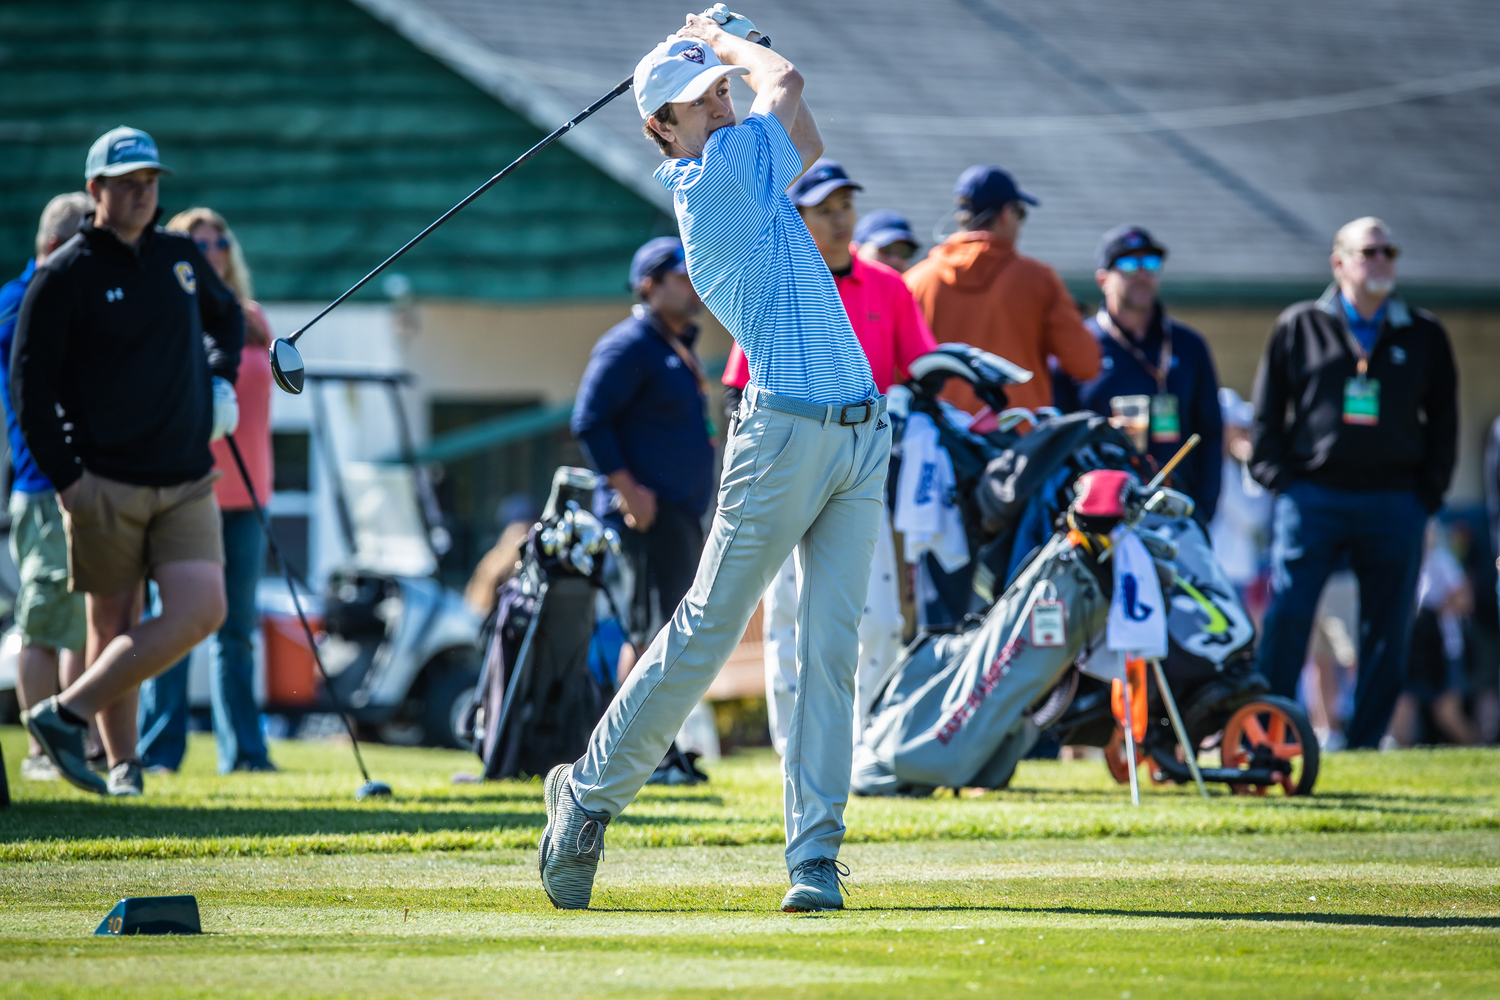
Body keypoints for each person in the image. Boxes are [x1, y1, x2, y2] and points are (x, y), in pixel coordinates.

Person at [541, 18, 887, 914]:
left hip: (858, 433)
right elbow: (791, 81)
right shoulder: (718, 180)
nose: (720, 103)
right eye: (702, 101)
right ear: (663, 128)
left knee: (831, 654)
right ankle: (586, 794)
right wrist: (721, 35)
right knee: (704, 632)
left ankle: (814, 859)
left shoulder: (753, 167)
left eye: (721, 92)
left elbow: (803, 133)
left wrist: (724, 54)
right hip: (780, 435)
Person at [14, 126, 244, 796]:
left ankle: (66, 714)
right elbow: (30, 387)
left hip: (185, 477)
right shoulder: (65, 274)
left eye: (151, 182)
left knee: (203, 608)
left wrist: (220, 377)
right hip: (103, 481)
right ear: (96, 191)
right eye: (128, 183)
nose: (144, 193)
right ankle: (122, 768)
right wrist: (68, 482)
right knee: (109, 624)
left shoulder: (179, 255)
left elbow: (226, 320)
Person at [719, 158, 935, 750]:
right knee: (788, 616)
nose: (839, 220)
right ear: (799, 217)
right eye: (824, 210)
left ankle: (867, 745)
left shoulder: (889, 286)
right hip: (790, 464)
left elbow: (924, 370)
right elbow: (741, 388)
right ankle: (794, 748)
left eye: (845, 207)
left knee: (883, 620)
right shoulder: (779, 281)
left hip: (867, 467)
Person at [1250, 216, 1457, 750]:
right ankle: (1265, 736)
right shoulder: (1299, 326)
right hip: (1314, 496)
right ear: (1339, 262)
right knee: (1290, 615)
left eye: (1390, 250)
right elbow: (1267, 416)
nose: (1383, 260)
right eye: (1370, 251)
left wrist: (1425, 498)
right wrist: (1282, 483)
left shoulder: (1424, 333)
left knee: (1387, 629)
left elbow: (1445, 424)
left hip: (1395, 501)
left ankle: (1365, 743)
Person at [135, 207, 276, 775]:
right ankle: (159, 750)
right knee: (171, 624)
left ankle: (243, 753)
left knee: (236, 633)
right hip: (186, 491)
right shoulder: (168, 314)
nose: (212, 249)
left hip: (250, 494)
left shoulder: (253, 318)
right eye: (199, 242)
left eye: (220, 241)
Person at [572, 236, 716, 653]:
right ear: (650, 286)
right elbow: (589, 421)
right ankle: (630, 722)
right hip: (649, 516)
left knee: (669, 636)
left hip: (679, 515)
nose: (695, 284)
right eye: (683, 277)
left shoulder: (673, 345)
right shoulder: (629, 344)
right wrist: (629, 493)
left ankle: (653, 722)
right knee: (651, 637)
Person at [0, 192, 92, 782]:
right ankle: (41, 750)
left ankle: (71, 743)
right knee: (43, 623)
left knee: (80, 622)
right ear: (57, 243)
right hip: (41, 485)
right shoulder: (18, 299)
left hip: (83, 483)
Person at [1054, 226, 1223, 522]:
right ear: (1102, 279)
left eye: (1151, 264)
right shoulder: (1078, 346)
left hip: (1177, 511)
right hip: (1100, 518)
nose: (1142, 273)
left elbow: (1210, 432)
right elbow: (1059, 437)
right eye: (1128, 264)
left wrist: (1204, 508)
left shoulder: (1188, 344)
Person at [903, 165, 1100, 414]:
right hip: (1019, 438)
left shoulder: (913, 281)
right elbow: (1086, 364)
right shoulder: (1037, 279)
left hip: (939, 442)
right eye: (1021, 214)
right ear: (1007, 214)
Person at [1208, 388, 1273, 624]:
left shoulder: (1228, 469)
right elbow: (1254, 515)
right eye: (1237, 427)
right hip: (1225, 573)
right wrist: (1252, 462)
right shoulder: (1222, 471)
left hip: (1234, 572)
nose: (1243, 434)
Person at [853, 209, 920, 274]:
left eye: (905, 251)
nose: (895, 261)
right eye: (886, 248)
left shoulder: (911, 283)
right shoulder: (843, 283)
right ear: (857, 249)